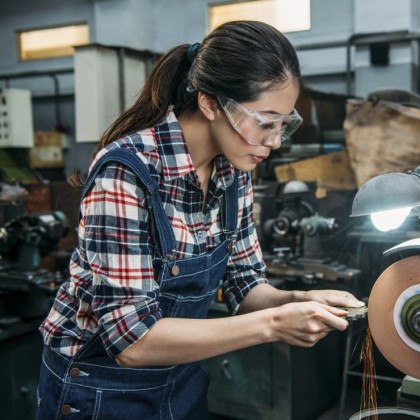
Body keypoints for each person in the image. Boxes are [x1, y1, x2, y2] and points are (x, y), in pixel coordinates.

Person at [36, 20, 364, 419]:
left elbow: (244, 285)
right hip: (99, 387)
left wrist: (295, 300)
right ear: (210, 103)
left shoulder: (234, 171)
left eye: (284, 124)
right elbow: (132, 341)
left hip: (181, 377)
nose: (276, 141)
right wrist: (276, 323)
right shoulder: (126, 173)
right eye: (264, 122)